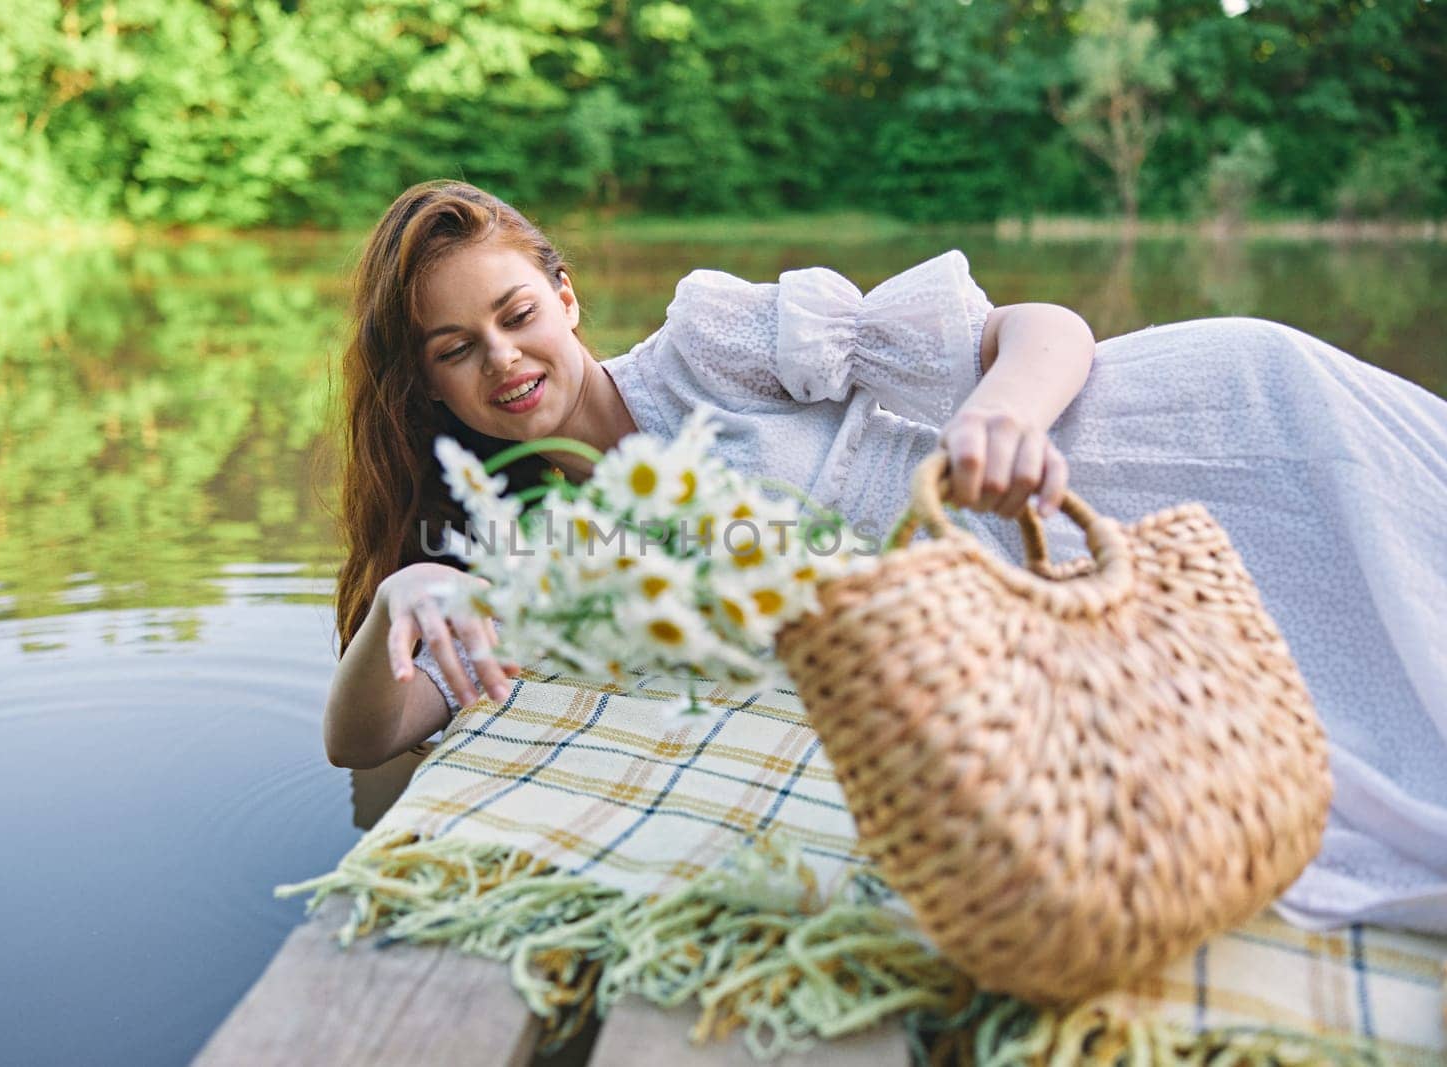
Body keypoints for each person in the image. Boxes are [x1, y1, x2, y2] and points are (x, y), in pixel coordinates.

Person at [322, 179, 1447, 935]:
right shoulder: (524, 541)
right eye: (457, 349)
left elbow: (1045, 329)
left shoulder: (710, 343)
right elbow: (363, 739)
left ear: (565, 296)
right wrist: (399, 599)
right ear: (427, 381)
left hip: (1172, 430)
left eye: (519, 313)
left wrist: (997, 411)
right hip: (1046, 603)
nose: (506, 359)